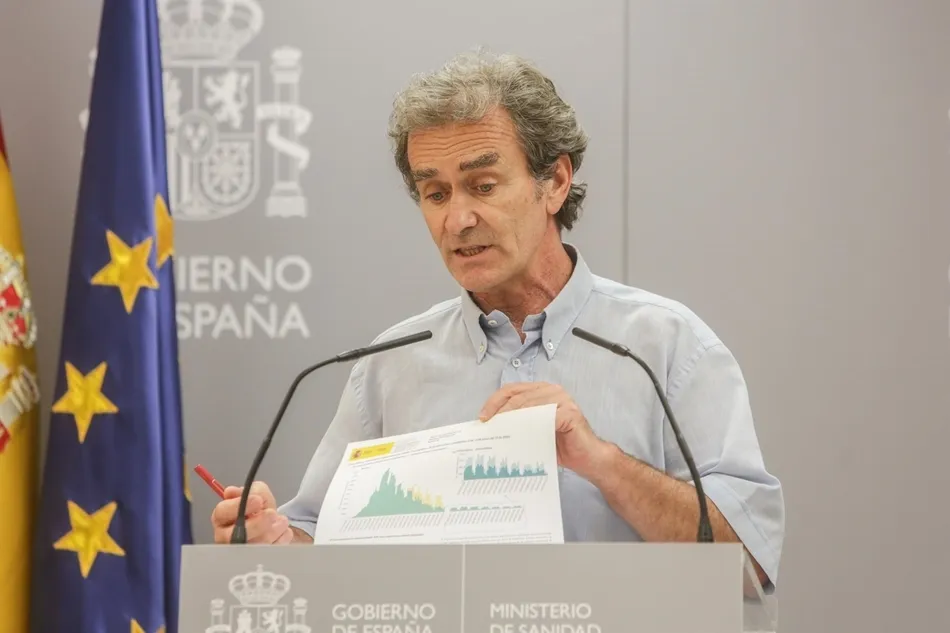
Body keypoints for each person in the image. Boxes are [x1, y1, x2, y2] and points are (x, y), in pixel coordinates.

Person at [210, 50, 785, 589]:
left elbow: (749, 564)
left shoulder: (665, 347)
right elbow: (317, 538)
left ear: (554, 182)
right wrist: (276, 542)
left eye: (482, 186)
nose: (457, 219)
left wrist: (602, 462)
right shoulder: (390, 364)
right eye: (435, 194)